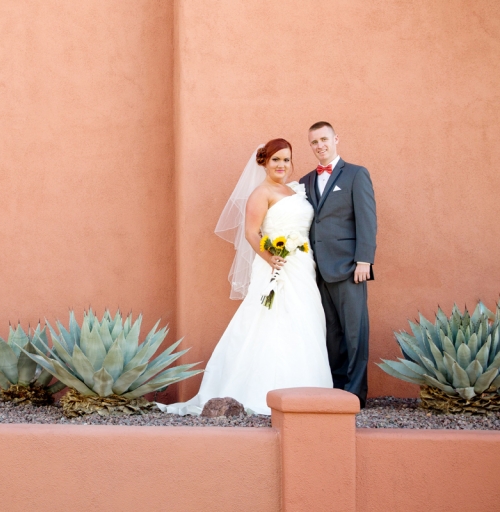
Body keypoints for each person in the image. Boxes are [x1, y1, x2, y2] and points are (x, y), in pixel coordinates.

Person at [158, 139, 332, 416]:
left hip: (302, 265)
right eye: (276, 159)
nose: (282, 165)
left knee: (305, 319)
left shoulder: (296, 190)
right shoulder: (260, 193)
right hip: (275, 265)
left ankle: (309, 392)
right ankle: (259, 390)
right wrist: (270, 258)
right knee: (269, 320)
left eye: (286, 159)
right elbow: (252, 233)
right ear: (264, 162)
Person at [299, 122, 377, 408]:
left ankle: (356, 394)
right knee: (331, 333)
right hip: (317, 271)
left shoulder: (356, 174)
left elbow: (367, 220)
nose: (319, 146)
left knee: (355, 332)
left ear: (335, 139)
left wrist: (364, 260)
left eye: (323, 139)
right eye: (314, 142)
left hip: (349, 268)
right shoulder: (306, 181)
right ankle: (337, 389)